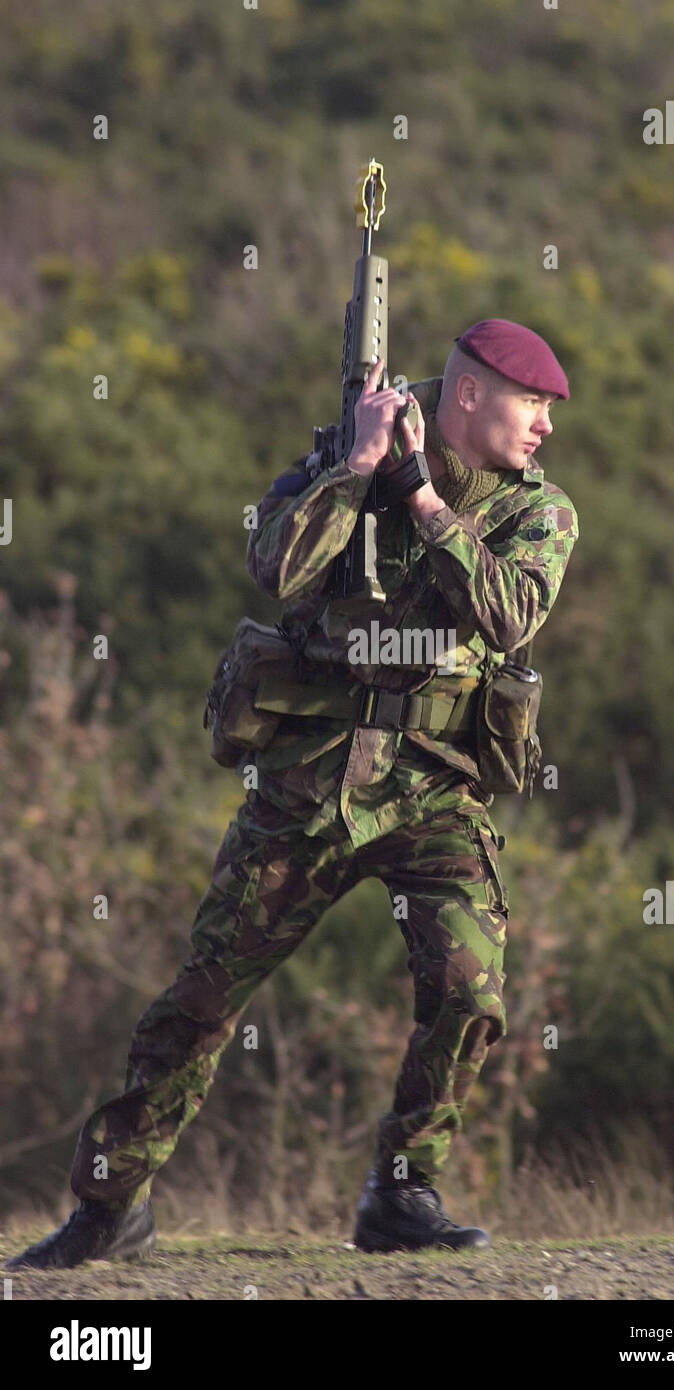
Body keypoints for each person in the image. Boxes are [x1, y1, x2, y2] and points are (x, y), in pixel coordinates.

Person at [6, 319, 579, 1268]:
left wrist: (424, 502)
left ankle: (402, 1194)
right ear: (469, 394)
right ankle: (109, 1207)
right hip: (310, 785)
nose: (547, 427)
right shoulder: (342, 451)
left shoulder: (539, 511)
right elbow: (274, 566)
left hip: (431, 792)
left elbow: (510, 616)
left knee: (468, 986)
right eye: (533, 404)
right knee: (202, 998)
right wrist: (358, 468)